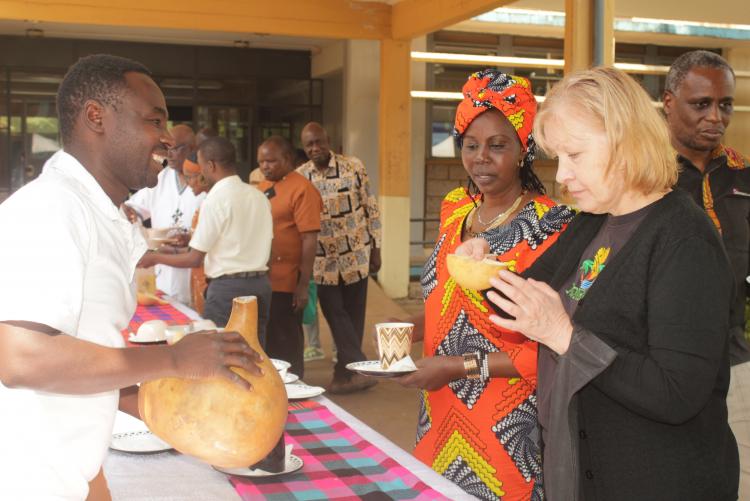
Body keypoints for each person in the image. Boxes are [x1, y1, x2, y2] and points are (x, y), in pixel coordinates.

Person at [461, 67, 739, 500]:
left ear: (626, 143)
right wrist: (481, 267)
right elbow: (526, 300)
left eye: (575, 155)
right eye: (558, 159)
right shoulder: (593, 222)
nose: (562, 177)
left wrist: (565, 336)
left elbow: (676, 392)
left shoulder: (684, 238)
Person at [0, 54, 262, 501]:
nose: (166, 139)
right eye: (153, 120)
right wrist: (174, 361)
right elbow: (22, 360)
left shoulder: (102, 215)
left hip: (75, 471)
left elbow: (86, 351)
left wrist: (182, 407)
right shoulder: (49, 209)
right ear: (96, 117)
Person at [392, 70, 575, 501]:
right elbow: (449, 299)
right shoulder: (455, 209)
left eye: (498, 146)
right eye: (471, 146)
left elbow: (548, 348)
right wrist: (412, 325)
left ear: (524, 149)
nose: (481, 159)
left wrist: (455, 366)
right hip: (438, 406)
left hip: (506, 420)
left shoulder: (551, 225)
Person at [663, 50, 750, 499]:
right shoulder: (645, 175)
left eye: (726, 104)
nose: (715, 116)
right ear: (669, 102)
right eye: (701, 104)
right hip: (662, 366)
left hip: (737, 361)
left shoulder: (743, 176)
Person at [139, 137, 273, 344]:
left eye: (201, 167)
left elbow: (194, 259)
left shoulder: (216, 199)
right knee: (256, 350)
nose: (200, 174)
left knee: (222, 352)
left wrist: (155, 258)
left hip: (227, 290)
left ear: (211, 166)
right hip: (260, 285)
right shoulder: (258, 196)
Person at [298, 122, 381, 394]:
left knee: (354, 317)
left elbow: (371, 207)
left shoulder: (353, 167)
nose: (315, 148)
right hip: (323, 262)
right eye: (309, 144)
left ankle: (345, 375)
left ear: (328, 140)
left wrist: (376, 248)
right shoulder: (301, 177)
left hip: (356, 255)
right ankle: (359, 367)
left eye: (319, 142)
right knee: (335, 314)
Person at [257, 135, 323, 378]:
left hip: (288, 281)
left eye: (271, 161)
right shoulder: (263, 187)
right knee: (269, 339)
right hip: (264, 278)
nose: (265, 166)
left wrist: (303, 286)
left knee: (286, 341)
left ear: (287, 159)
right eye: (261, 161)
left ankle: (294, 387)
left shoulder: (303, 189)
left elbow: (309, 239)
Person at [124, 124, 205, 304]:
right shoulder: (160, 177)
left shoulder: (206, 182)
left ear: (192, 148)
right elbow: (132, 209)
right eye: (167, 148)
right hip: (164, 274)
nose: (170, 154)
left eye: (175, 148)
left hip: (195, 272)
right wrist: (128, 211)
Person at [182, 154, 210, 314]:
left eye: (190, 177)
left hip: (208, 282)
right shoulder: (206, 200)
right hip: (199, 280)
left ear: (202, 175)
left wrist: (155, 257)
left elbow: (196, 257)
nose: (188, 183)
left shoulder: (212, 202)